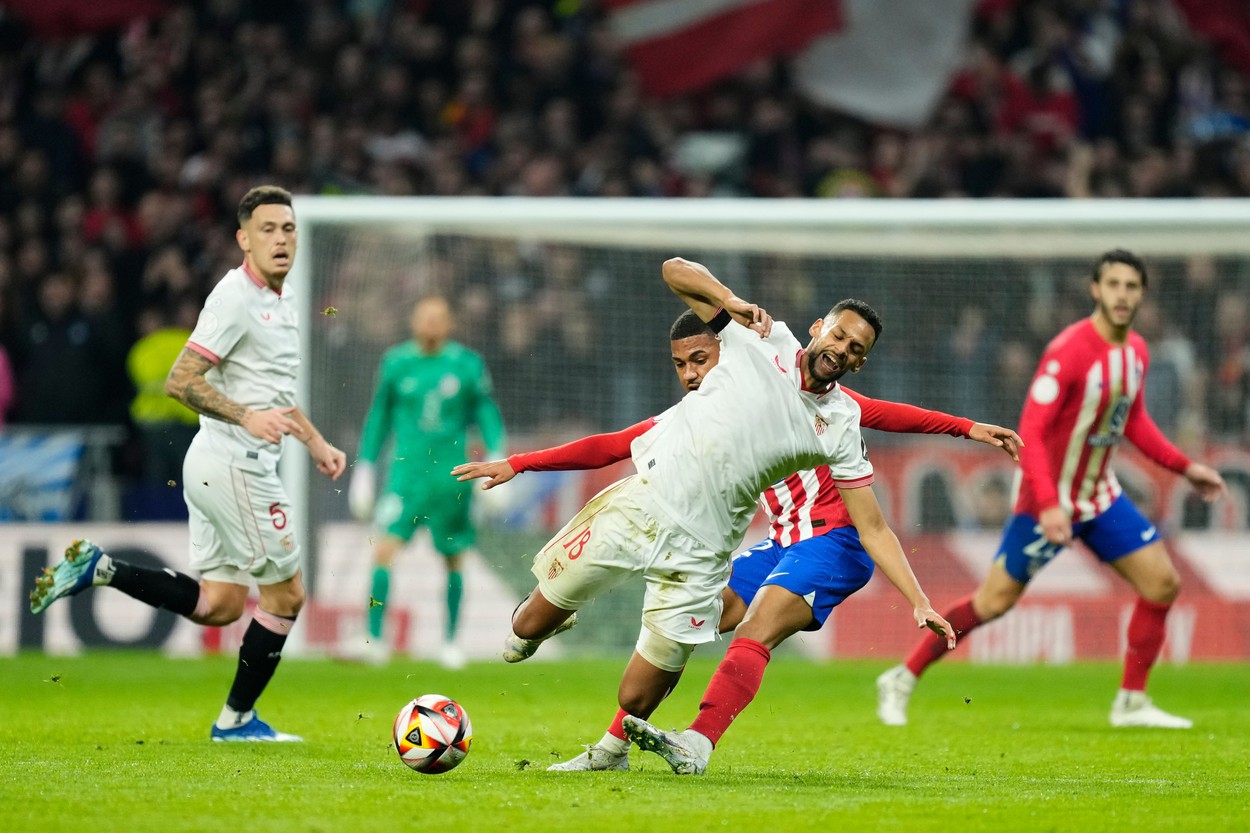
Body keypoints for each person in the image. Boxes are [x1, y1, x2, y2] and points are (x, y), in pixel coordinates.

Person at [458, 310, 1022, 772]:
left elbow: (886, 422)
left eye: (701, 359)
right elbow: (614, 443)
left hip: (832, 544)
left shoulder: (821, 403)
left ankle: (698, 744)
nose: (692, 373)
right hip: (781, 541)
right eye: (682, 364)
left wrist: (966, 428)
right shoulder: (710, 408)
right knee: (697, 625)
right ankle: (611, 749)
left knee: (754, 630)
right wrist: (520, 464)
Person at [29, 185, 347, 742]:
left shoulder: (283, 300)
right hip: (234, 463)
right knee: (287, 596)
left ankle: (101, 569)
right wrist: (247, 418)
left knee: (220, 605)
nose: (280, 239)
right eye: (267, 229)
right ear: (242, 239)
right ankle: (237, 721)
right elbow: (181, 381)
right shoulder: (234, 298)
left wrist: (314, 441)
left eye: (288, 228)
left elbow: (273, 391)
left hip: (220, 461)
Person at [876, 249, 1228, 730]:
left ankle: (1131, 701)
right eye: (1114, 285)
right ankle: (902, 676)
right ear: (1095, 290)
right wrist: (1049, 506)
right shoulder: (1070, 350)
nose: (1123, 295)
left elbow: (1135, 421)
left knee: (1162, 583)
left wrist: (1186, 468)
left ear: (1142, 294)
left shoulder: (1136, 352)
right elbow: (1032, 431)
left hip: (1099, 497)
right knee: (993, 602)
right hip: (1049, 500)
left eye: (1132, 287)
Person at [347, 295, 506, 669]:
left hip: (451, 477)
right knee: (383, 551)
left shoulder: (466, 364)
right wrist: (366, 466)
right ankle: (375, 638)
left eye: (439, 318)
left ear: (450, 323)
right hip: (405, 476)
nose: (432, 324)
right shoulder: (397, 363)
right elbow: (379, 416)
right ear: (414, 321)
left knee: (453, 558)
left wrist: (499, 454)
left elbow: (486, 412)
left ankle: (450, 642)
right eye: (426, 317)